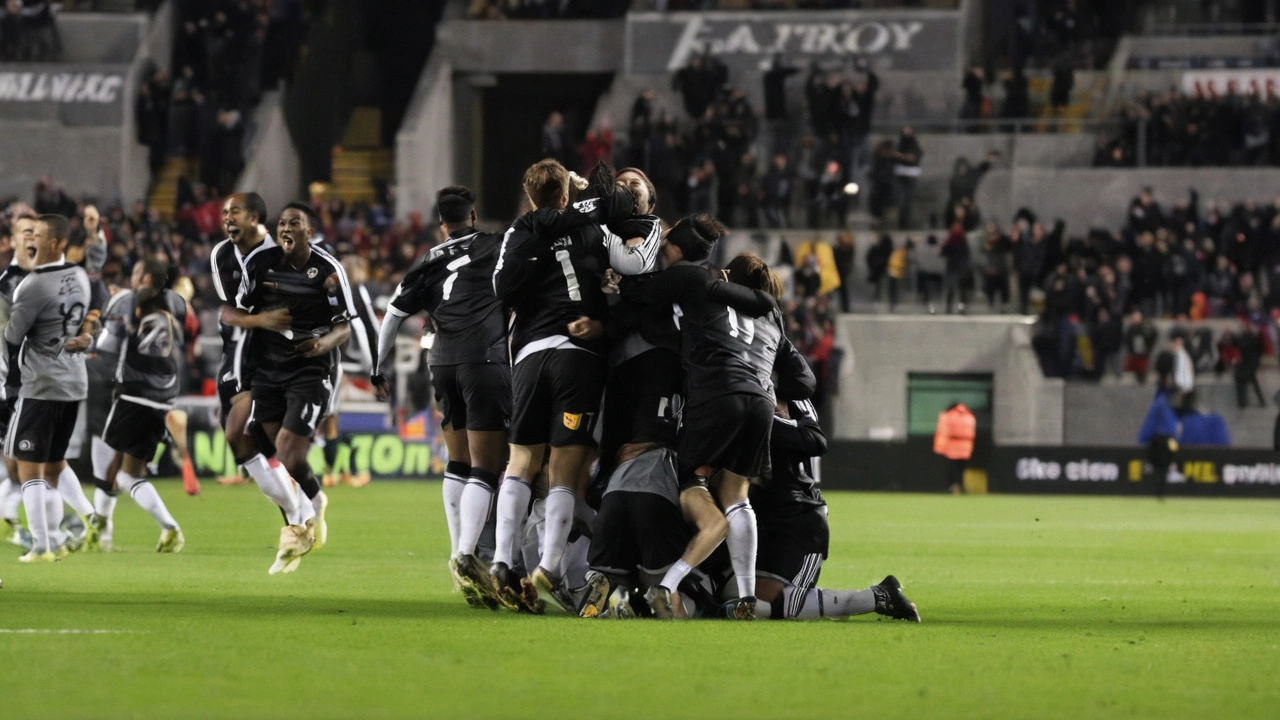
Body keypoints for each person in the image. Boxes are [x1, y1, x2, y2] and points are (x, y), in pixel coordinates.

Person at [616, 238, 812, 620]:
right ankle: (745, 596)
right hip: (760, 402)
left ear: (727, 275)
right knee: (739, 496)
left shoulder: (704, 292)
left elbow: (655, 327)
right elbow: (805, 382)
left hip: (716, 395)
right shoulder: (770, 316)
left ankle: (669, 581)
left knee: (692, 483)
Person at [487, 159, 634, 613]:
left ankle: (499, 561)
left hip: (531, 354)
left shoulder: (521, 230)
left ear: (532, 197)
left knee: (521, 460)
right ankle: (549, 568)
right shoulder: (592, 228)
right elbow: (625, 275)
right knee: (564, 471)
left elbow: (499, 286)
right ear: (566, 193)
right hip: (578, 356)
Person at [373, 186, 510, 608]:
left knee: (457, 462)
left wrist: (379, 367)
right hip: (484, 360)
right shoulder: (495, 243)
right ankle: (469, 554)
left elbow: (394, 315)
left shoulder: (425, 262)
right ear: (473, 216)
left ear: (441, 225)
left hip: (442, 363)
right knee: (488, 466)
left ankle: (456, 553)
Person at [235, 203, 356, 574]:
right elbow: (239, 311)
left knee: (289, 451)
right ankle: (314, 503)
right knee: (273, 450)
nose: (286, 228)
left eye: (295, 223)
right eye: (282, 223)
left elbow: (345, 326)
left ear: (309, 231)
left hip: (310, 369)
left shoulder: (328, 271)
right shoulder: (261, 264)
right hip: (268, 371)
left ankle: (296, 528)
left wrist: (321, 344)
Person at [210, 193, 317, 572]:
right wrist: (256, 320)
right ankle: (300, 515)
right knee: (237, 439)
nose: (227, 218)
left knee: (248, 431)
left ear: (255, 217)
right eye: (223, 213)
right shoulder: (220, 255)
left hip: (269, 361)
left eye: (234, 211)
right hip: (233, 357)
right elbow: (232, 311)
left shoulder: (277, 256)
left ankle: (301, 519)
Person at [753, 398, 919, 622]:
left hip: (799, 516)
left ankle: (876, 597)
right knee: (758, 599)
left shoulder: (787, 399)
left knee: (779, 607)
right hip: (766, 513)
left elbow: (814, 441)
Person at [0, 214, 95, 562]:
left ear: (55, 242)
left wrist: (11, 388)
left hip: (35, 384)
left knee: (25, 466)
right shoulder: (78, 275)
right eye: (26, 232)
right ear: (12, 240)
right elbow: (86, 318)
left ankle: (43, 543)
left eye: (36, 233)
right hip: (71, 382)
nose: (31, 239)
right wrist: (84, 337)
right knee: (52, 465)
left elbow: (11, 338)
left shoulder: (28, 285)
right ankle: (84, 520)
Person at [87, 258, 189, 553]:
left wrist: (85, 344)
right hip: (163, 398)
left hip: (133, 395)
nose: (131, 278)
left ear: (145, 279)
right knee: (131, 472)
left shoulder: (126, 302)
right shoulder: (175, 303)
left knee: (109, 465)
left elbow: (104, 349)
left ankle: (100, 531)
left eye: (135, 272)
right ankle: (170, 529)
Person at [933, 402, 975, 494]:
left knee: (952, 468)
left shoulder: (948, 415)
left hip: (952, 447)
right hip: (966, 447)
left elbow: (943, 431)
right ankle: (961, 487)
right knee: (961, 469)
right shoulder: (969, 415)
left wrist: (940, 447)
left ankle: (951, 487)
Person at [892, 127, 923, 229]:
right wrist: (904, 157)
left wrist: (902, 156)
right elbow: (895, 155)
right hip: (900, 175)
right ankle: (901, 223)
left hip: (911, 176)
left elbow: (913, 157)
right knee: (900, 200)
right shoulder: (899, 144)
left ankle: (906, 223)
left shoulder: (914, 145)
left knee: (908, 201)